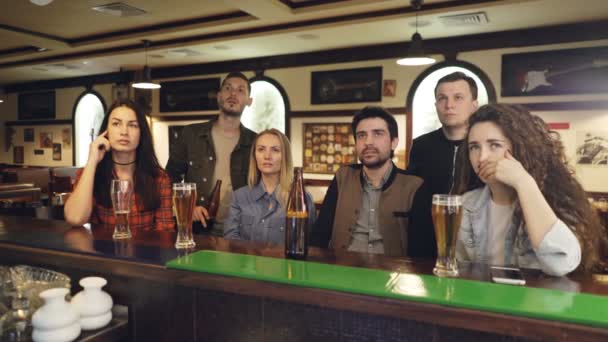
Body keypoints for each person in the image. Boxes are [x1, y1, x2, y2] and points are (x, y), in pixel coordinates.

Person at [453, 104, 605, 276]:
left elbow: (561, 263)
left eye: (494, 145)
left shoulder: (554, 200)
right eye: (474, 147)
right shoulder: (467, 204)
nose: (482, 157)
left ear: (520, 147)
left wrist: (523, 181)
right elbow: (462, 272)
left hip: (536, 301)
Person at [311, 106, 433, 257]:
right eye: (361, 135)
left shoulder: (414, 186)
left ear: (394, 142)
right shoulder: (343, 176)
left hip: (393, 274)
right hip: (343, 270)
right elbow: (320, 234)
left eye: (377, 134)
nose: (368, 142)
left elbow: (423, 251)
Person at [166, 72, 257, 236]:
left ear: (249, 101)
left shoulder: (255, 142)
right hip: (197, 229)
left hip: (240, 231)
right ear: (219, 96)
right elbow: (169, 178)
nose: (233, 94)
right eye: (228, 88)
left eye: (240, 90)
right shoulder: (190, 134)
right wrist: (188, 205)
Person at [64, 99, 174, 231]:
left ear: (141, 134)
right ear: (106, 132)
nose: (124, 132)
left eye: (132, 125)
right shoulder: (90, 173)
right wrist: (92, 160)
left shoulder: (159, 178)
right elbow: (75, 218)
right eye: (116, 124)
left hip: (146, 251)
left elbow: (165, 232)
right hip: (102, 250)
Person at [224, 129, 315, 243]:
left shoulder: (301, 199)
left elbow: (309, 244)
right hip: (246, 261)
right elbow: (230, 240)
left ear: (285, 157)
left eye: (275, 150)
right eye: (261, 149)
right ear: (254, 156)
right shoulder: (239, 196)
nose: (267, 156)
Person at [406, 72, 479, 195]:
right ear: (436, 105)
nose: (449, 105)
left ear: (474, 105)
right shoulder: (421, 146)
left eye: (458, 97)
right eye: (442, 98)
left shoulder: (485, 146)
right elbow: (411, 194)